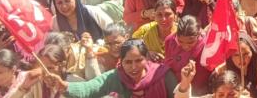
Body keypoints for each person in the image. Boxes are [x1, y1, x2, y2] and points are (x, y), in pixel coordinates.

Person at [44, 39, 178, 97]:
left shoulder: (162, 74)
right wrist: (63, 86)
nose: (133, 67)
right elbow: (89, 88)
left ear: (147, 59)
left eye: (138, 60)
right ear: (121, 62)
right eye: (128, 62)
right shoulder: (116, 77)